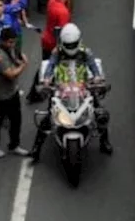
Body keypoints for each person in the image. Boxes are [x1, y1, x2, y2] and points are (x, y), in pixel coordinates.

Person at [29, 23, 112, 158]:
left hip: (83, 87)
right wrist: (46, 80)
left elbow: (93, 67)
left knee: (100, 113)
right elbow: (50, 66)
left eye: (73, 44)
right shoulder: (57, 52)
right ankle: (36, 148)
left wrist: (97, 78)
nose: (70, 47)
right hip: (61, 88)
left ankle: (105, 142)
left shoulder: (86, 52)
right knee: (47, 117)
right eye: (68, 45)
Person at [0, 28, 28, 157]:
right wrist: (23, 65)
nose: (12, 45)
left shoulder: (9, 49)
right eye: (10, 42)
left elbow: (14, 60)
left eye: (14, 42)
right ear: (3, 41)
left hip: (12, 92)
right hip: (0, 96)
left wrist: (18, 62)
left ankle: (14, 145)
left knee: (16, 120)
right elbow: (10, 74)